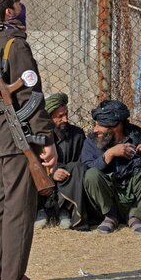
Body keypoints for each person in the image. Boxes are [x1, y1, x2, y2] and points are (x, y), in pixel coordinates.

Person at [0, 0, 57, 280]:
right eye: (17, 1)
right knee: (20, 207)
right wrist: (46, 140)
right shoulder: (16, 46)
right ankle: (14, 278)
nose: (22, 7)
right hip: (18, 138)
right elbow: (31, 98)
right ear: (8, 10)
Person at [81, 99, 141, 235]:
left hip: (134, 200)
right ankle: (110, 217)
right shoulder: (91, 142)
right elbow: (87, 171)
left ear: (116, 126)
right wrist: (109, 154)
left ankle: (135, 217)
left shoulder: (137, 139)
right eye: (95, 124)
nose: (95, 129)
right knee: (92, 174)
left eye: (100, 125)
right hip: (108, 202)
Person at [34, 93, 88, 230]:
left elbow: (82, 161)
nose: (65, 119)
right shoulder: (38, 136)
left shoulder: (77, 134)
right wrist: (53, 171)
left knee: (77, 168)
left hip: (68, 177)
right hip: (45, 178)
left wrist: (63, 169)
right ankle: (41, 210)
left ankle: (65, 210)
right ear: (48, 118)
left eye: (66, 114)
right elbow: (35, 161)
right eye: (59, 116)